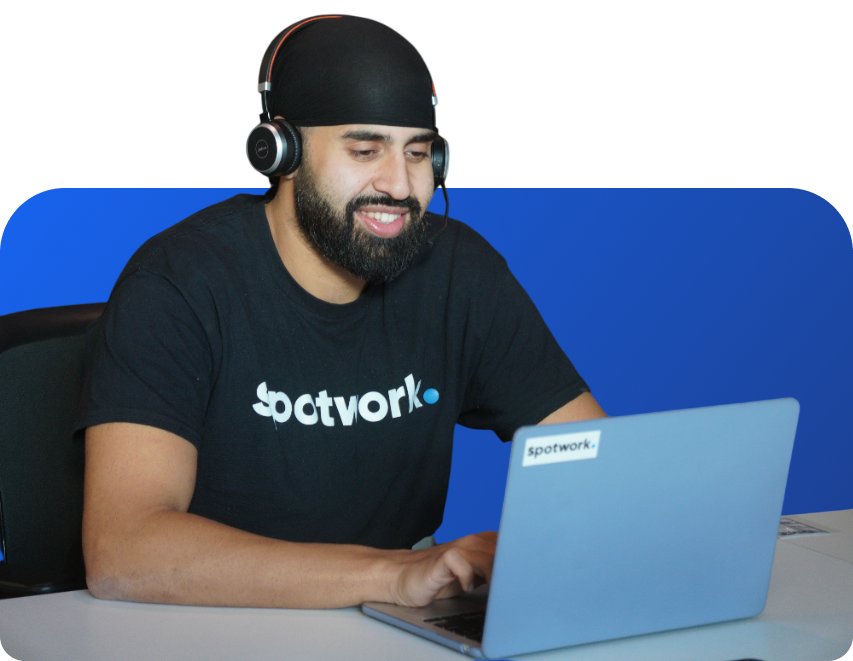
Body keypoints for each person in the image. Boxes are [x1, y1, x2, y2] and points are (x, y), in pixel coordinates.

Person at [74, 14, 607, 610]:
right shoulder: (178, 283)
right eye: (364, 150)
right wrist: (394, 575)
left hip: (398, 619)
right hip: (213, 619)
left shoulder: (460, 272)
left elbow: (596, 462)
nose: (400, 186)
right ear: (280, 152)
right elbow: (123, 551)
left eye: (418, 153)